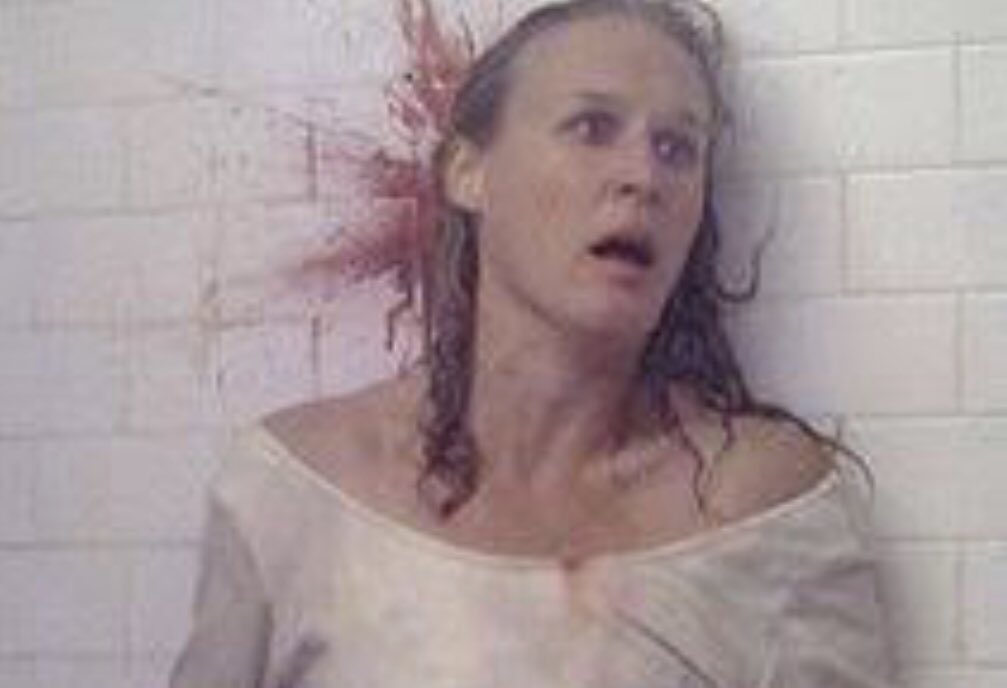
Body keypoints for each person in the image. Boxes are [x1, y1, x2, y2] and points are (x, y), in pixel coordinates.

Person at [171, 0, 898, 686]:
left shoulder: (768, 510)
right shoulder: (291, 492)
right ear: (468, 172)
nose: (642, 176)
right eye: (591, 127)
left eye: (677, 148)